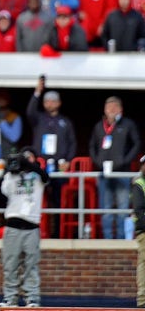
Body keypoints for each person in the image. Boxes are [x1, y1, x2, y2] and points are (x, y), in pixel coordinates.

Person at [26, 76, 77, 238]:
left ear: (59, 103)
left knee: (58, 200)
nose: (50, 103)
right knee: (37, 198)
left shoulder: (65, 121)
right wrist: (37, 92)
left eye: (54, 101)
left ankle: (56, 233)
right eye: (47, 101)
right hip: (40, 166)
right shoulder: (39, 118)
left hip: (59, 167)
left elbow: (72, 143)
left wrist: (68, 161)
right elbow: (29, 112)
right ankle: (37, 231)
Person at [0, 148, 48, 307]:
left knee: (31, 265)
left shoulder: (38, 176)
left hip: (32, 226)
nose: (25, 160)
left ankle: (32, 297)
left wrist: (29, 164)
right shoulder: (10, 175)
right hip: (13, 225)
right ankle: (10, 298)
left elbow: (46, 177)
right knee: (10, 265)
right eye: (23, 157)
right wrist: (7, 169)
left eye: (29, 157)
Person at [89, 96, 141, 239]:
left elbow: (136, 144)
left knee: (122, 208)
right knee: (105, 208)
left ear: (120, 109)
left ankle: (120, 238)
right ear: (105, 110)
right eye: (109, 107)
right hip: (104, 173)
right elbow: (92, 146)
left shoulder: (128, 124)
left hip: (122, 172)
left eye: (114, 107)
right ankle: (107, 238)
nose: (111, 110)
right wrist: (97, 161)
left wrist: (125, 160)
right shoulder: (99, 126)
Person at [131, 155, 145, 308]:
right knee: (144, 264)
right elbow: (139, 211)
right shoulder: (139, 184)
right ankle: (143, 300)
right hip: (144, 231)